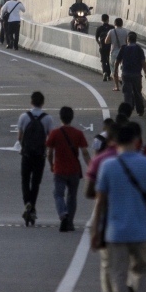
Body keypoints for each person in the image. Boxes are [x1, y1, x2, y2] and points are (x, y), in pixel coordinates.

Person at [91, 123, 146, 292]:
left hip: (115, 232)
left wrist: (95, 231)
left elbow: (99, 203)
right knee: (141, 274)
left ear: (115, 141)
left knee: (118, 275)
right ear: (136, 140)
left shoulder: (107, 166)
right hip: (142, 231)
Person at [86, 119, 122, 292]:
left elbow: (92, 195)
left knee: (108, 264)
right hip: (137, 225)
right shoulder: (140, 158)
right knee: (131, 268)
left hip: (110, 222)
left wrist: (94, 230)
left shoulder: (102, 161)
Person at [46, 106, 91, 232]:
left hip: (59, 169)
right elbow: (85, 152)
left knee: (58, 194)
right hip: (74, 170)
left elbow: (49, 152)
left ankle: (63, 214)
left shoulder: (55, 133)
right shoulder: (78, 133)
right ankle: (70, 222)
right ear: (72, 118)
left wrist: (51, 164)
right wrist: (92, 167)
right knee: (72, 196)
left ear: (60, 117)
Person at [18, 91, 58, 226]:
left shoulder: (24, 117)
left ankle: (27, 204)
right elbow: (51, 138)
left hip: (27, 154)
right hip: (40, 155)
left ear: (31, 102)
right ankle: (32, 206)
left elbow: (20, 136)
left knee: (25, 180)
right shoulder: (47, 119)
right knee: (35, 182)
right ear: (42, 103)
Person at [119, 32, 146, 116]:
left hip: (126, 74)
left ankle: (127, 111)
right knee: (137, 93)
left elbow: (117, 61)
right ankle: (140, 110)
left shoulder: (123, 48)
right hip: (136, 75)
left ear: (127, 40)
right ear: (136, 40)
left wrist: (114, 71)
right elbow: (143, 63)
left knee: (127, 93)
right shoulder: (139, 49)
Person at [105, 18, 129, 91]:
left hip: (114, 52)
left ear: (114, 24)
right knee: (124, 69)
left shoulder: (111, 31)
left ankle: (116, 86)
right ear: (122, 24)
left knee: (114, 69)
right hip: (124, 52)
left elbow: (106, 41)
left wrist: (112, 41)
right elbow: (127, 42)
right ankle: (124, 83)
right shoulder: (125, 32)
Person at [96, 14, 114, 81]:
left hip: (102, 46)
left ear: (101, 19)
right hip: (110, 46)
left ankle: (104, 72)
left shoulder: (99, 28)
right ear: (108, 19)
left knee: (103, 60)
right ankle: (109, 75)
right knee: (109, 60)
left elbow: (96, 38)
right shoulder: (112, 28)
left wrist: (99, 44)